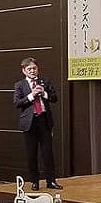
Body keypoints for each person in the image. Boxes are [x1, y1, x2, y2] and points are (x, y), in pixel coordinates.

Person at [13, 57, 60, 190]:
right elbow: (17, 103)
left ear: (38, 69)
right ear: (24, 71)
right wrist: (31, 95)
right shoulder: (20, 85)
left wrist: (44, 93)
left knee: (47, 153)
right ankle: (34, 182)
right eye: (29, 69)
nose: (32, 71)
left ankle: (51, 181)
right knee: (31, 154)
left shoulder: (45, 81)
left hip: (44, 120)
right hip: (29, 122)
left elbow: (54, 98)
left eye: (34, 68)